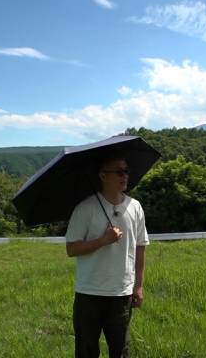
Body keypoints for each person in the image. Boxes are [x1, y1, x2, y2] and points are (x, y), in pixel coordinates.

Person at [65, 153, 149, 358]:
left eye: (127, 171)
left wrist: (138, 286)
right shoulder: (85, 208)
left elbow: (140, 247)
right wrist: (103, 241)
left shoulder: (135, 207)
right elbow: (71, 249)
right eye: (119, 171)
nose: (125, 176)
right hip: (89, 293)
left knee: (120, 351)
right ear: (103, 175)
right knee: (86, 350)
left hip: (121, 294)